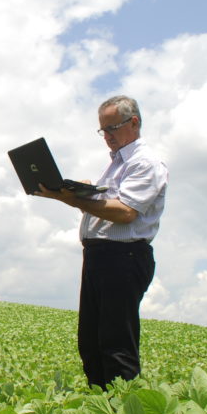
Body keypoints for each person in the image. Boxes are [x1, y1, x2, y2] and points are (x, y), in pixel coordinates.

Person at [34, 95, 167, 390]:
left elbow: (126, 212)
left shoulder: (144, 163)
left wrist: (73, 200)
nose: (107, 136)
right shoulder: (117, 164)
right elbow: (108, 205)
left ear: (134, 122)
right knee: (91, 342)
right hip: (100, 257)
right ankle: (100, 405)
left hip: (123, 257)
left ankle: (124, 411)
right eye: (103, 130)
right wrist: (81, 193)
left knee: (116, 345)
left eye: (112, 128)